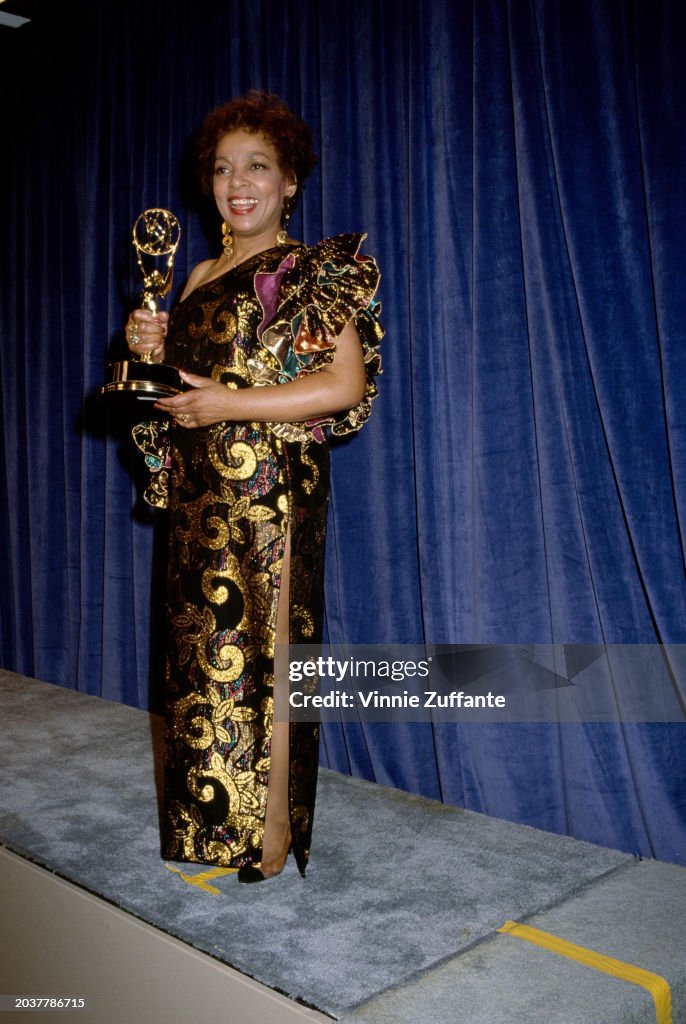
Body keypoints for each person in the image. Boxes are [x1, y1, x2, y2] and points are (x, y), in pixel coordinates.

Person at [125, 92, 382, 882]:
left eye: (258, 167)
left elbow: (342, 386)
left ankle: (270, 832)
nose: (238, 184)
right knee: (206, 658)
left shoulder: (308, 271)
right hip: (201, 492)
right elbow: (180, 388)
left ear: (290, 181)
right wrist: (146, 348)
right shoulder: (199, 273)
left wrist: (226, 405)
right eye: (223, 169)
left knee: (270, 656)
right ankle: (215, 825)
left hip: (273, 490)